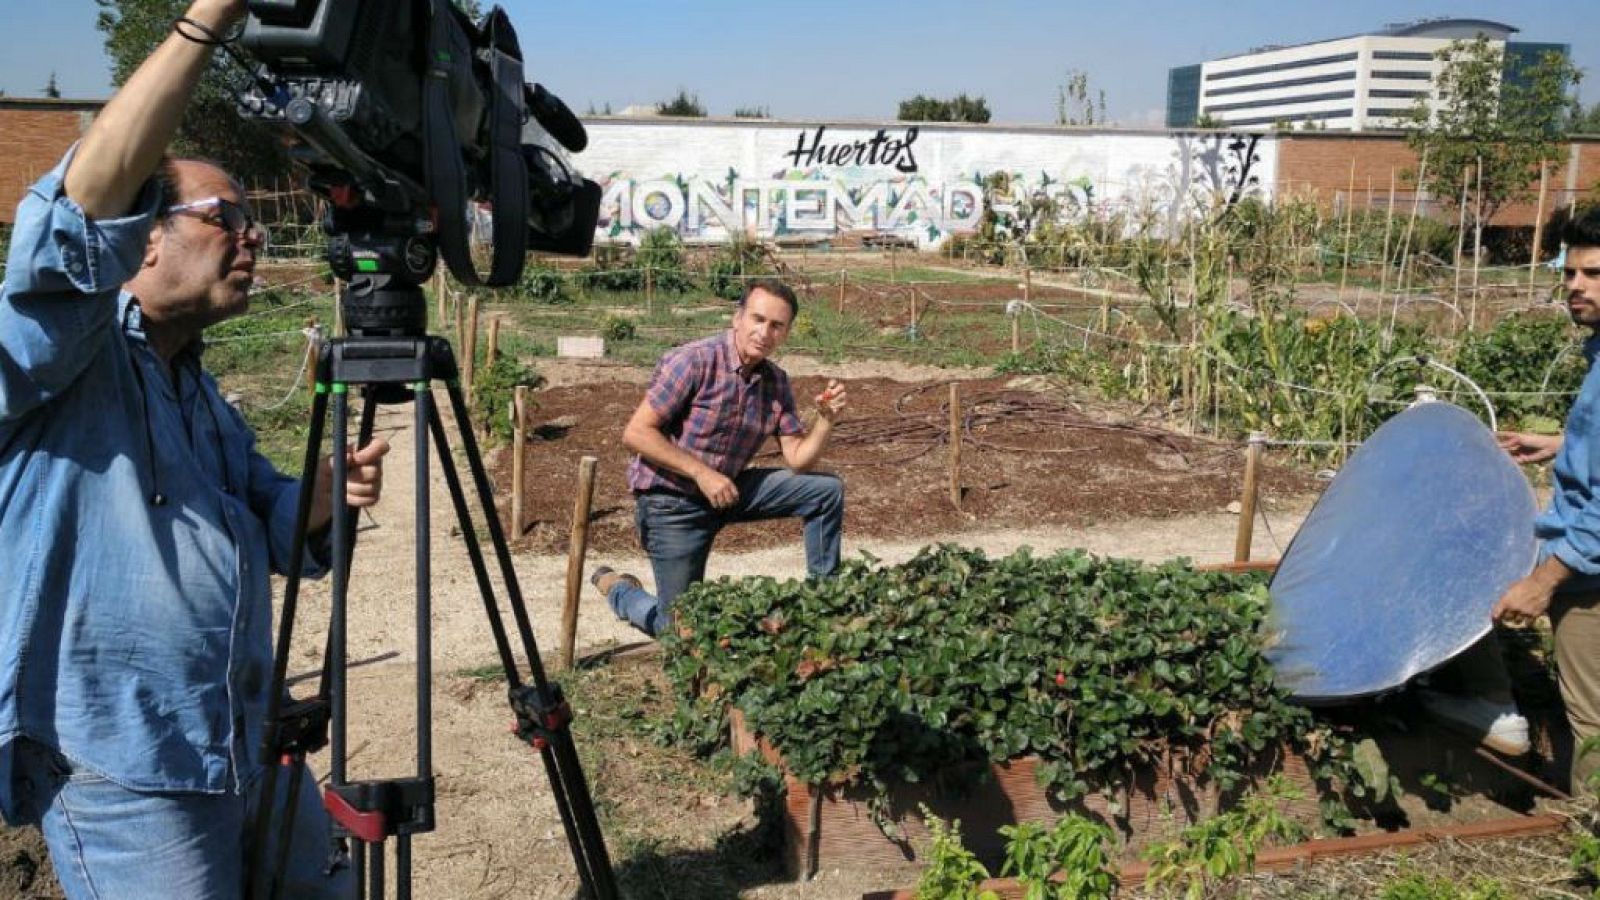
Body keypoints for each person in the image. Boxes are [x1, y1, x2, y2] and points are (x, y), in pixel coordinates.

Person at [0, 1, 387, 895]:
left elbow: (265, 512)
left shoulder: (199, 387)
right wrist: (208, 20)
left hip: (241, 735)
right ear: (140, 242)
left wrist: (319, 498)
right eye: (225, 215)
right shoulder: (61, 363)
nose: (253, 235)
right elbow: (72, 227)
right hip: (127, 774)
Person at [593, 278, 848, 637]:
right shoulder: (693, 361)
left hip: (727, 491)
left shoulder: (775, 382)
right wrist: (702, 473)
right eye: (758, 319)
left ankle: (825, 605)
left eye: (776, 325)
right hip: (671, 501)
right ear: (737, 319)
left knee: (825, 490)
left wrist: (825, 420)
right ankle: (621, 592)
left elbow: (798, 460)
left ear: (786, 333)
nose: (764, 332)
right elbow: (636, 433)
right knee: (680, 632)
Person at [1493, 206, 1600, 794]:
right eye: (1570, 272)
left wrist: (1545, 581)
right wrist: (1565, 444)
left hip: (1590, 580)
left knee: (1593, 726)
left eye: (1594, 273)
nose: (1576, 286)